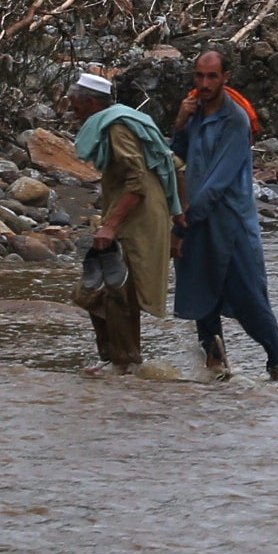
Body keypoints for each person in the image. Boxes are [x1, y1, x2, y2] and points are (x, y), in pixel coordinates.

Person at [173, 49, 278, 382]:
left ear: (226, 78)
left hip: (230, 222)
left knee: (250, 297)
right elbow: (177, 159)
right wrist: (179, 124)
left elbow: (217, 182)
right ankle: (217, 370)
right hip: (195, 219)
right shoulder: (193, 112)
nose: (205, 83)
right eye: (199, 76)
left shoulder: (235, 119)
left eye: (212, 76)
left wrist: (183, 224)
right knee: (201, 297)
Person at [68, 70, 183, 372]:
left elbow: (137, 182)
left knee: (115, 292)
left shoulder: (117, 128)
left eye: (75, 106)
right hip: (136, 214)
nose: (72, 112)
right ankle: (118, 359)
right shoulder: (122, 121)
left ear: (91, 102)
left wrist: (111, 225)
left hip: (139, 218)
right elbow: (172, 165)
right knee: (98, 292)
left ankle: (125, 364)